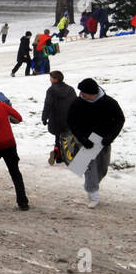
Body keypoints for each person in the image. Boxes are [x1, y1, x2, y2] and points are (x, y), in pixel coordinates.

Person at [66, 78, 125, 206]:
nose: (81, 94)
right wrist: (82, 138)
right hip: (85, 139)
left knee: (102, 168)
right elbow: (71, 121)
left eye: (84, 93)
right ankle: (93, 195)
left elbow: (120, 119)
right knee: (89, 166)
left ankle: (91, 184)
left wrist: (110, 137)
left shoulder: (109, 102)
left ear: (93, 93)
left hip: (103, 139)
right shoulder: (77, 103)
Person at [42, 71, 77, 165]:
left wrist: (44, 117)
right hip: (69, 119)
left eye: (51, 78)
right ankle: (66, 155)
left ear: (55, 79)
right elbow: (76, 104)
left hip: (56, 119)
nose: (50, 80)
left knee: (58, 136)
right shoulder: (70, 89)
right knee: (68, 137)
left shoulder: (51, 90)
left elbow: (48, 105)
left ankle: (58, 154)